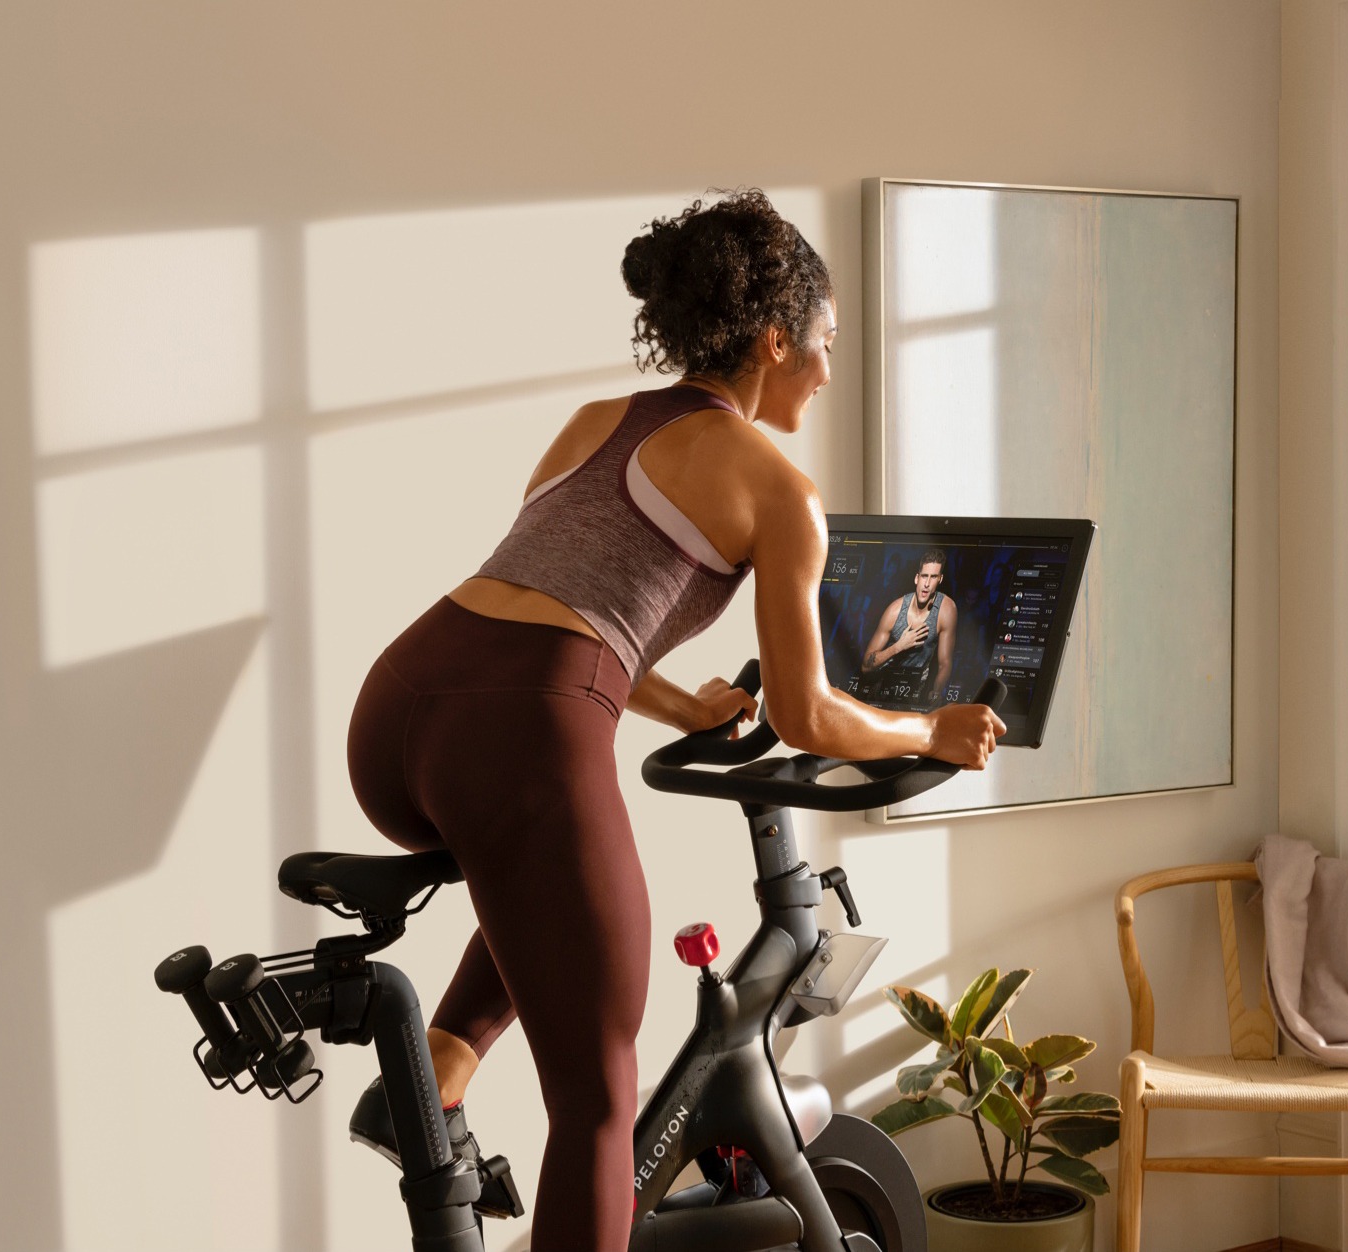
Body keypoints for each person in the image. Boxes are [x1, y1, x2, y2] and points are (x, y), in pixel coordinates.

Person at [343, 189, 1004, 1248]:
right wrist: (933, 733)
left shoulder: (594, 422)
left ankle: (440, 1075)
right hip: (517, 731)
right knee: (599, 1103)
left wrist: (681, 703)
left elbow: (559, 607)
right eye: (823, 346)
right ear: (775, 338)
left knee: (543, 886)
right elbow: (805, 712)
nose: (828, 372)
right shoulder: (780, 490)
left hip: (397, 709)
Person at [858, 549, 957, 709]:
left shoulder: (946, 609)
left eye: (933, 577)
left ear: (940, 579)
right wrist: (898, 646)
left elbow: (945, 663)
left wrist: (937, 692)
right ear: (917, 578)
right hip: (882, 688)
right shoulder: (895, 611)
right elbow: (865, 666)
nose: (926, 584)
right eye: (924, 576)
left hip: (915, 692)